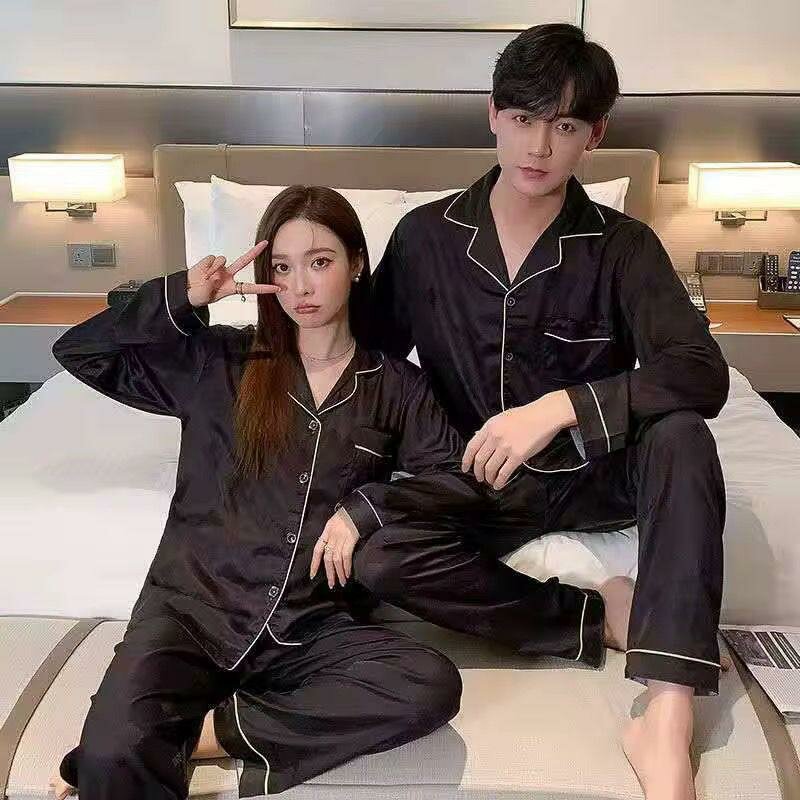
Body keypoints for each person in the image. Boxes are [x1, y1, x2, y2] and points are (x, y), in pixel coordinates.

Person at [340, 22, 730, 800]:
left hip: (594, 473)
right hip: (475, 479)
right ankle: (593, 616)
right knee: (376, 557)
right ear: (493, 113)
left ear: (595, 135)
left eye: (565, 126)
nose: (540, 146)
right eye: (523, 118)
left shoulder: (623, 246)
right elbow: (366, 361)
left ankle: (666, 714)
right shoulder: (425, 239)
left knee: (684, 435)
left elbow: (700, 372)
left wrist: (560, 406)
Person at [47, 185, 506, 799]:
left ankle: (207, 734)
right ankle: (153, 738)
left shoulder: (397, 386)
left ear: (356, 264)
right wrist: (184, 297)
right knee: (107, 756)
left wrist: (365, 509)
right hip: (190, 614)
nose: (300, 287)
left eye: (319, 262)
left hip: (308, 624)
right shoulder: (219, 361)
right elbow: (80, 351)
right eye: (282, 268)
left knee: (428, 684)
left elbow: (459, 481)